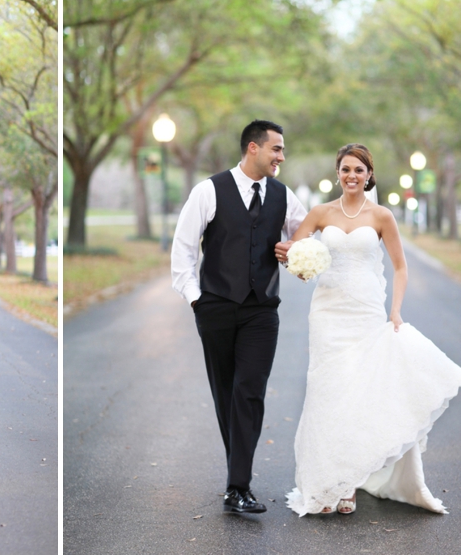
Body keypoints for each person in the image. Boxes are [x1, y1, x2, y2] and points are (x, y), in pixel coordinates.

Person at [277, 143, 461, 516]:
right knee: (328, 392)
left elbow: (400, 267)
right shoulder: (320, 212)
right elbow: (296, 259)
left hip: (365, 311)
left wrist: (395, 311)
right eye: (345, 169)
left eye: (359, 170)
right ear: (338, 172)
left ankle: (349, 483)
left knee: (358, 393)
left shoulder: (381, 216)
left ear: (369, 175)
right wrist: (294, 261)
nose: (351, 176)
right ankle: (325, 482)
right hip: (327, 313)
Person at [171, 120, 307, 513]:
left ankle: (238, 486)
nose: (281, 156)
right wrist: (197, 300)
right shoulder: (208, 190)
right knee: (225, 392)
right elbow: (183, 250)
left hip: (262, 310)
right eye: (276, 149)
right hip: (215, 306)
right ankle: (238, 480)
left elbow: (306, 235)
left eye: (282, 150)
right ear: (253, 148)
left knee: (249, 392)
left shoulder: (282, 195)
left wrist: (293, 250)